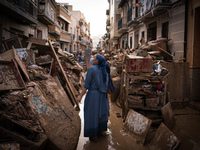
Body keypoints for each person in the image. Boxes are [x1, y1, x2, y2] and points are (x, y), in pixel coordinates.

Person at [77, 54, 114, 142]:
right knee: (102, 113)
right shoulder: (105, 68)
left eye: (94, 58)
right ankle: (101, 131)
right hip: (103, 95)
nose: (92, 58)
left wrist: (80, 96)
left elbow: (86, 85)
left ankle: (93, 136)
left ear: (97, 61)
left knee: (91, 114)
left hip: (93, 96)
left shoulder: (91, 69)